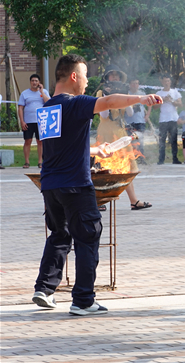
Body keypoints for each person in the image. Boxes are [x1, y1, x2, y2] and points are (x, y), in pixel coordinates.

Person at [31, 54, 162, 315]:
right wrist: (141, 98)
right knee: (88, 237)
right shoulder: (76, 103)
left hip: (50, 185)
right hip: (76, 186)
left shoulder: (46, 109)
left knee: (59, 235)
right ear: (73, 76)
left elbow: (58, 147)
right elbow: (109, 102)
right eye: (85, 75)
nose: (87, 81)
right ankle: (83, 300)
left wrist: (93, 150)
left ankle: (44, 289)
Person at [96, 66, 152, 211]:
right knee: (103, 169)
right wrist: (107, 99)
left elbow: (130, 112)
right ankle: (99, 201)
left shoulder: (123, 92)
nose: (115, 78)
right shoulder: (101, 92)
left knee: (126, 168)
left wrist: (123, 98)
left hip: (120, 133)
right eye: (112, 76)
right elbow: (104, 116)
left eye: (117, 76)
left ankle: (134, 201)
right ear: (107, 78)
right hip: (106, 132)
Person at [18, 74, 50, 168]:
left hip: (41, 120)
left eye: (36, 81)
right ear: (30, 82)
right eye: (32, 80)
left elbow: (48, 102)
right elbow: (20, 108)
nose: (34, 82)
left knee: (40, 141)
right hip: (28, 121)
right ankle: (27, 162)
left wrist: (42, 92)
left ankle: (40, 162)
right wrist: (22, 121)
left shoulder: (44, 92)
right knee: (28, 141)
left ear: (39, 82)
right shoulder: (24, 93)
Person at [154, 75, 182, 165]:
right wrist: (162, 100)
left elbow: (180, 104)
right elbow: (155, 107)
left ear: (170, 82)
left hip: (173, 118)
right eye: (165, 81)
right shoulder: (158, 93)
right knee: (162, 140)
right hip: (163, 119)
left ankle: (175, 158)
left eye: (168, 81)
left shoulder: (175, 92)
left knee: (173, 139)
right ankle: (161, 159)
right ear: (162, 82)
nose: (166, 83)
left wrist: (171, 100)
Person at [126, 77, 149, 163]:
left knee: (140, 140)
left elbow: (149, 105)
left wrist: (147, 115)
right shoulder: (127, 94)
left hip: (140, 121)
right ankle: (131, 159)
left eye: (136, 83)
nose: (135, 85)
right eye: (133, 83)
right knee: (130, 141)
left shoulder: (142, 93)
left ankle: (141, 158)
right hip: (129, 121)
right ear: (129, 85)